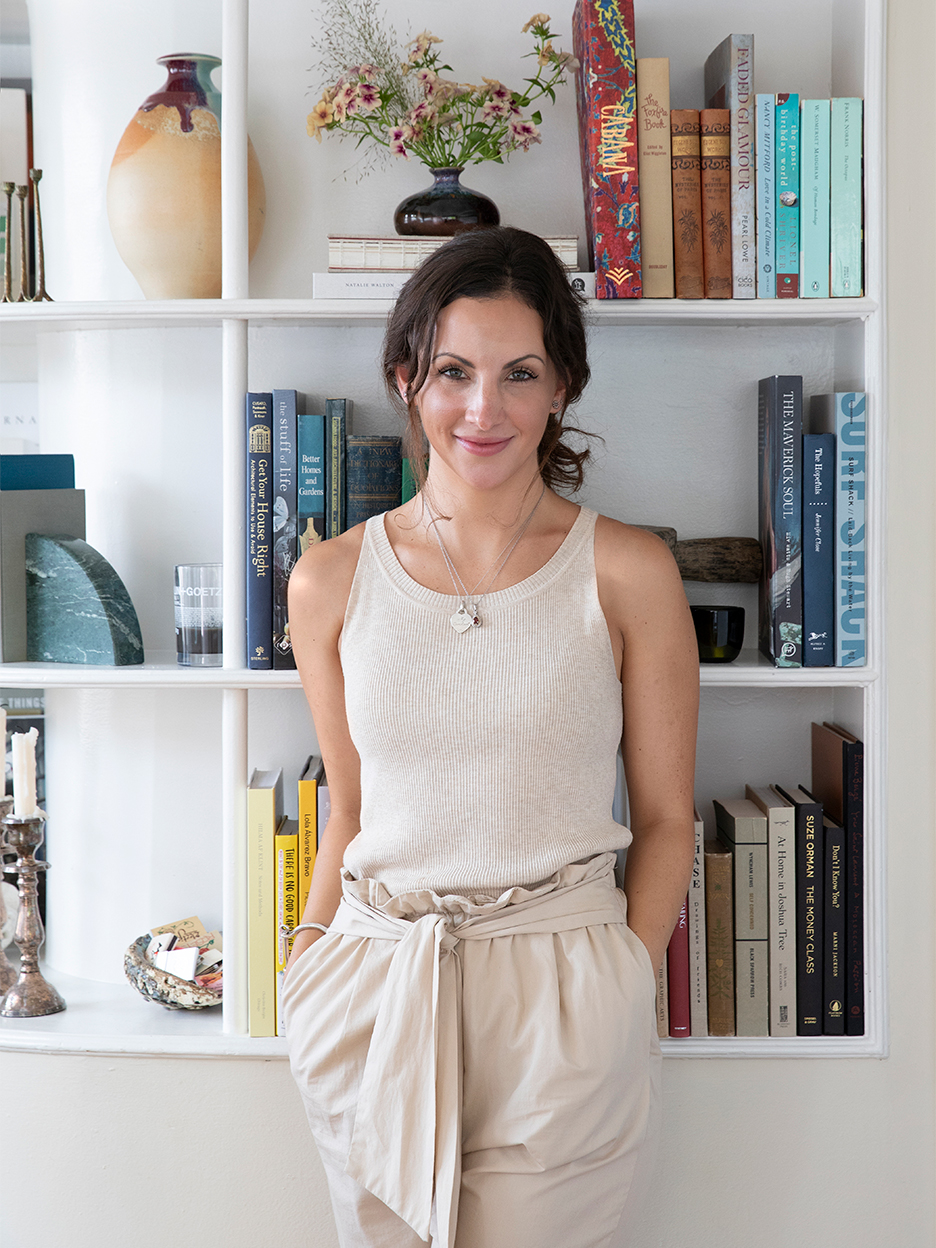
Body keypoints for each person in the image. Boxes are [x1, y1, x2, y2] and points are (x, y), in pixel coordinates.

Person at [283, 226, 699, 1248]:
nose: (485, 408)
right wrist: (307, 969)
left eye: (521, 373)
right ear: (406, 381)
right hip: (375, 989)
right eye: (454, 372)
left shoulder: (629, 572)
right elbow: (350, 807)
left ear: (563, 386)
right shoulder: (329, 580)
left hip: (559, 991)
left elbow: (665, 819)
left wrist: (619, 982)